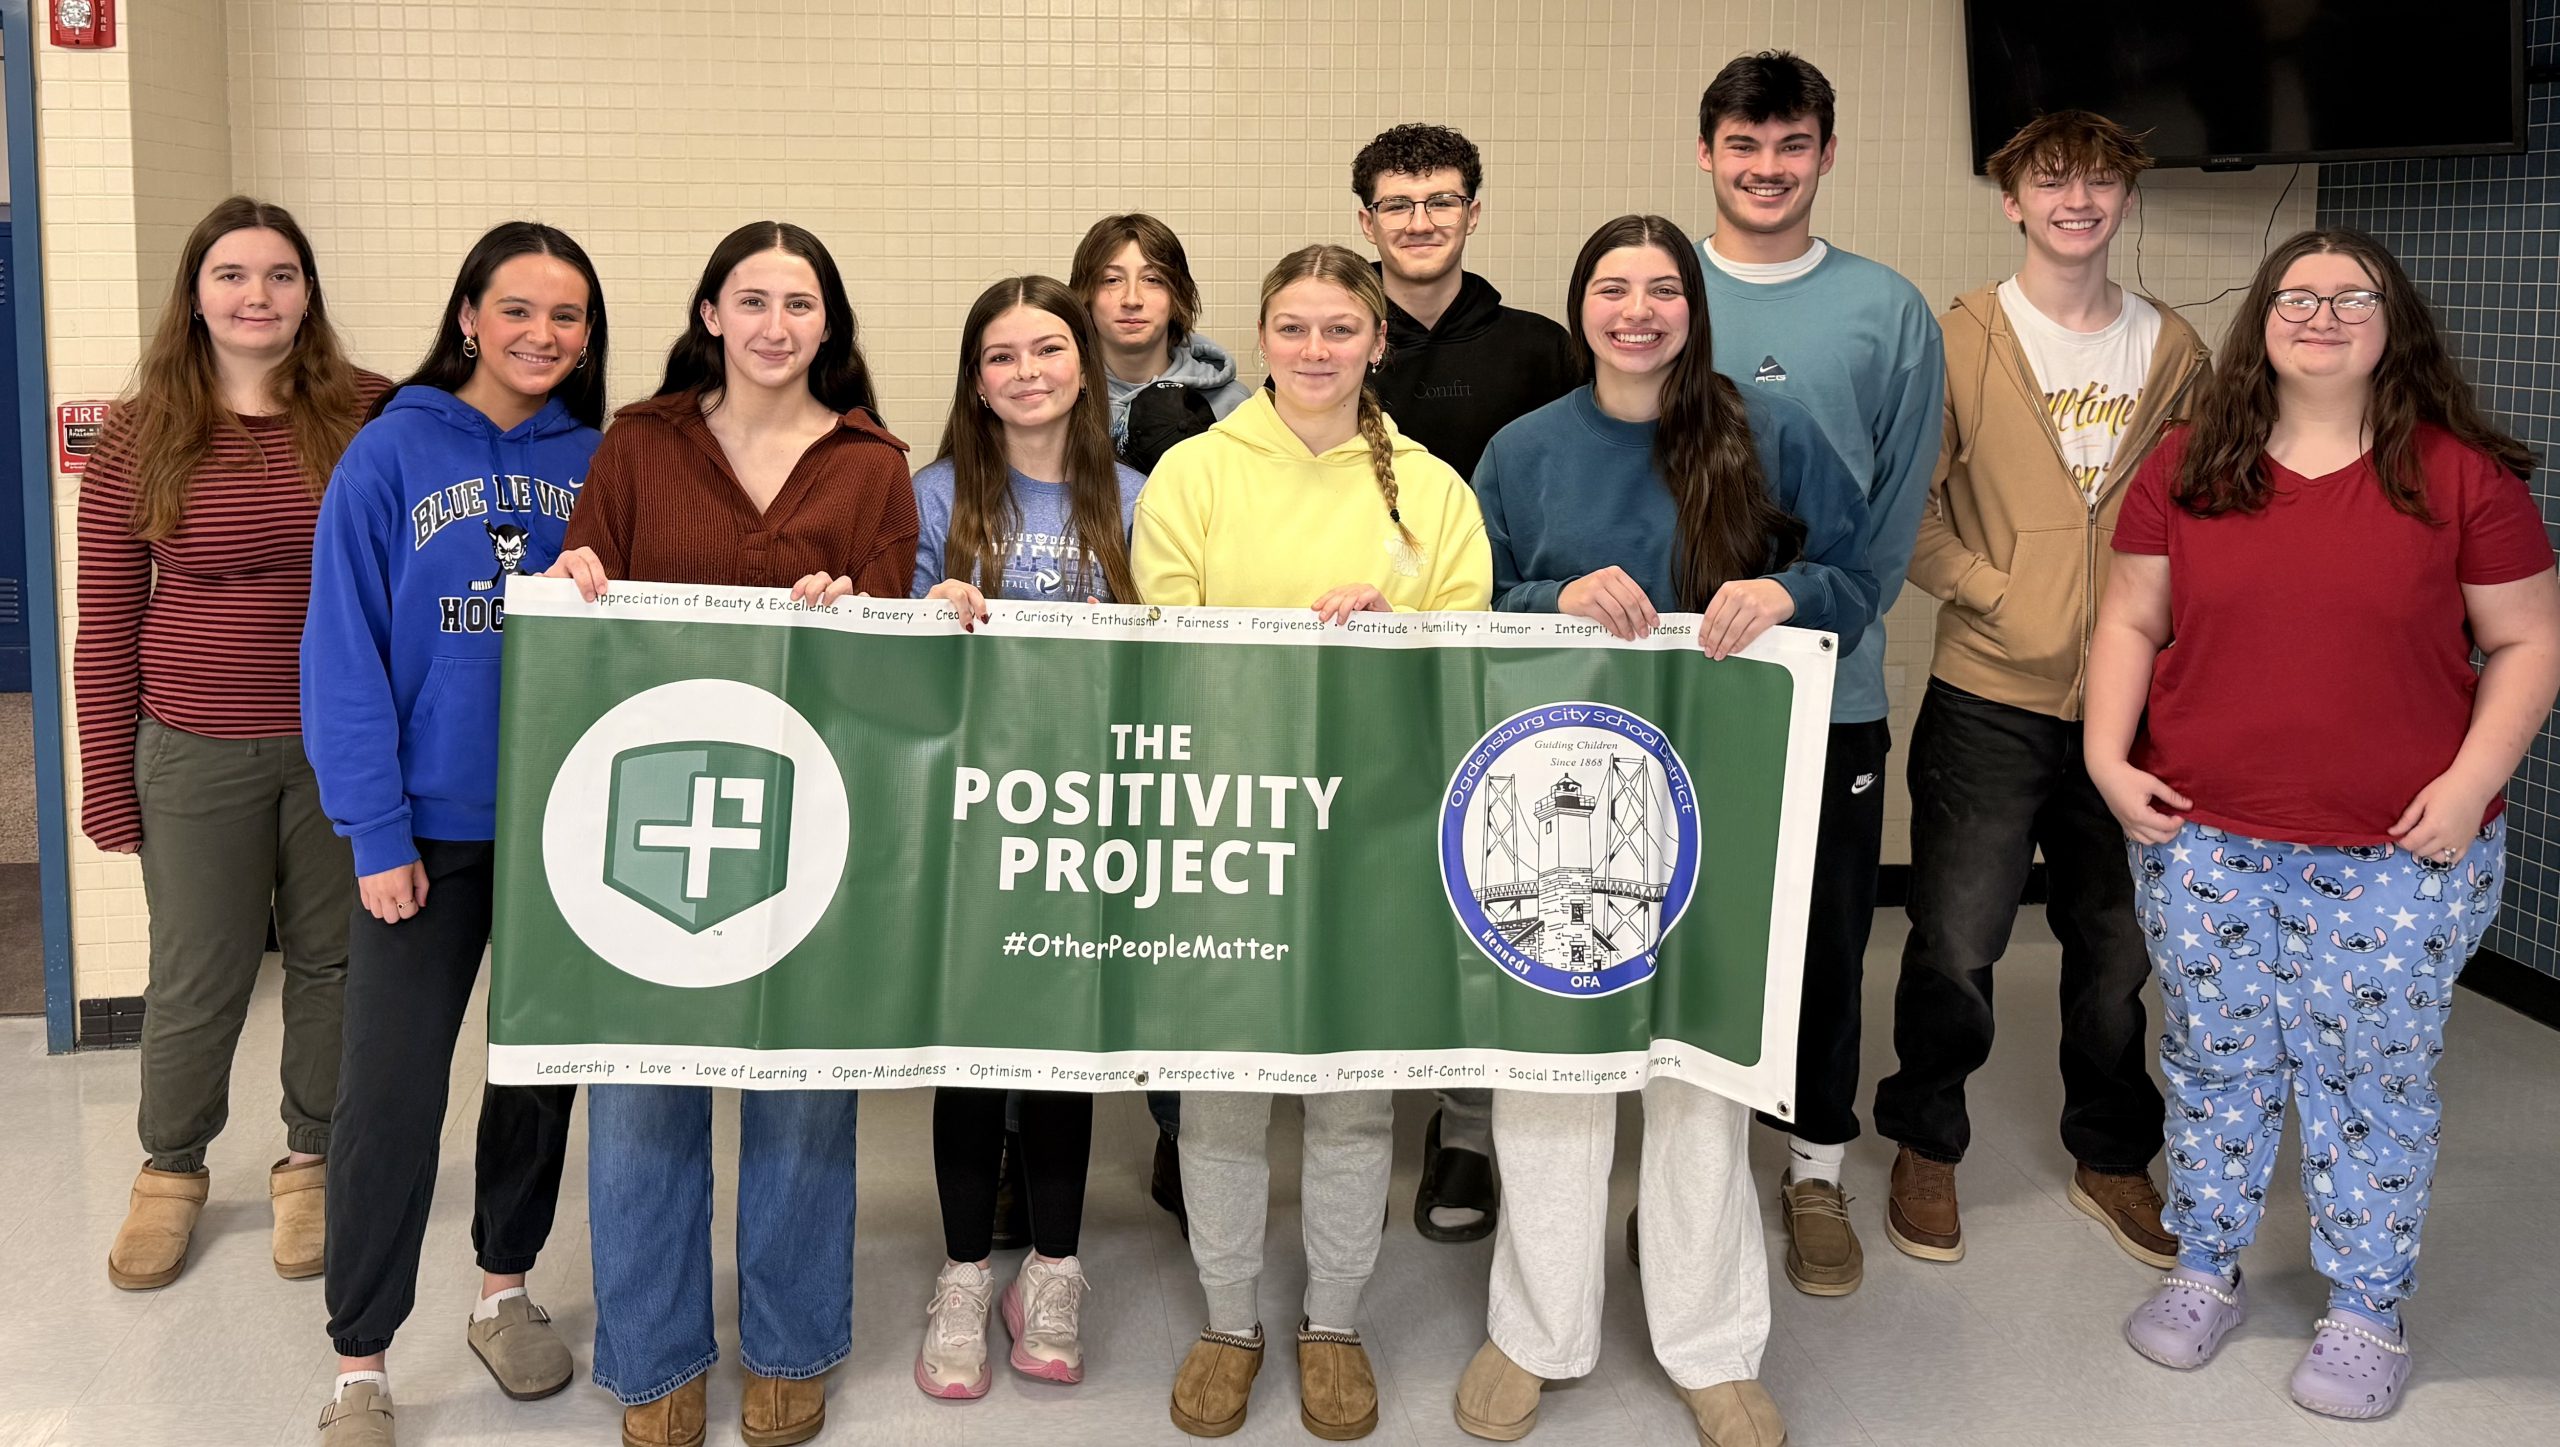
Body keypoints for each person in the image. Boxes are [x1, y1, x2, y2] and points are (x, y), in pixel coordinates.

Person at [2088, 228, 2560, 1420]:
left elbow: (2526, 643)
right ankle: (2204, 1268)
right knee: (2213, 1061)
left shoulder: (2458, 478)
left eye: (2354, 296)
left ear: (2392, 322)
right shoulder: (2188, 465)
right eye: (2296, 294)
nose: (2322, 313)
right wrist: (2104, 755)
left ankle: (2365, 1310)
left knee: (2370, 1076)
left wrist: (2465, 785)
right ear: (2261, 320)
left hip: (2397, 851)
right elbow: (2131, 623)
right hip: (2203, 838)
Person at [1453, 214, 1875, 1447]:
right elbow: (1465, 601)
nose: (1635, 310)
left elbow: (1857, 567)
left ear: (1693, 305)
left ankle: (1708, 1338)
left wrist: (1786, 588)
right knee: (1554, 1065)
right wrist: (1549, 594)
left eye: (1660, 289)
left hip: (1719, 790)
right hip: (1548, 785)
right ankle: (1535, 1328)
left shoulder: (1764, 432)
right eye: (1610, 287)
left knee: (1698, 1068)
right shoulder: (1521, 450)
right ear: (1579, 305)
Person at [547, 221, 915, 1447]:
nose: (773, 324)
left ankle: (793, 1339)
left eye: (798, 302)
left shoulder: (872, 465)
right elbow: (577, 592)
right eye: (749, 299)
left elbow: (897, 662)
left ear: (828, 323)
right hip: (650, 811)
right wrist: (579, 581)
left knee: (799, 1084)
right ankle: (651, 1356)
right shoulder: (639, 445)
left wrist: (857, 613)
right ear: (709, 313)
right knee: (644, 1084)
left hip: (814, 811)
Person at [1133, 242, 1490, 1441]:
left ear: (1377, 342)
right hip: (1226, 822)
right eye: (1293, 328)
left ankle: (1332, 1318)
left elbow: (1470, 659)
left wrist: (1396, 636)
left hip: (1371, 831)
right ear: (1262, 335)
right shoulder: (1192, 471)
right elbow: (1163, 641)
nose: (1317, 350)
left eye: (1342, 329)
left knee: (1347, 1096)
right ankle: (1230, 1319)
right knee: (1224, 1089)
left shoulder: (1431, 490)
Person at [1872, 110, 2209, 1271]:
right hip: (1988, 692)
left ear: (2124, 201)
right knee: (1956, 934)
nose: (2079, 199)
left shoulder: (2174, 350)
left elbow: (2208, 518)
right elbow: (1903, 513)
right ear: (2010, 202)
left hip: (2134, 702)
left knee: (2117, 944)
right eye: (2052, 182)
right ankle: (1927, 1141)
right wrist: (1999, 597)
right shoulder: (1958, 339)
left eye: (2102, 181)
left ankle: (2112, 1155)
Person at [301, 222, 608, 1447]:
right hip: (422, 837)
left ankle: (504, 1287)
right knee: (386, 1095)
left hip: (560, 828)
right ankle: (359, 1363)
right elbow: (342, 657)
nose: (544, 335)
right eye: (519, 309)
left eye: (568, 316)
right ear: (470, 314)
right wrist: (375, 833)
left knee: (536, 1079)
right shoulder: (389, 453)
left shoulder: (602, 457)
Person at [76, 196, 386, 1293]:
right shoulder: (137, 433)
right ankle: (170, 1172)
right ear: (195, 294)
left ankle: (311, 1163)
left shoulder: (368, 412)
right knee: (197, 973)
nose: (258, 296)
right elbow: (107, 619)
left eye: (281, 275)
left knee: (335, 963)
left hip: (343, 748)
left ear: (309, 291)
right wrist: (107, 782)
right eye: (233, 276)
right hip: (194, 746)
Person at [1685, 48, 1945, 1294]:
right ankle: (1688, 1182)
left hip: (1824, 689)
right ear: (1707, 156)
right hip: (1681, 691)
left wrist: (1817, 609)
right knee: (1687, 928)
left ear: (1825, 156)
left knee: (1828, 937)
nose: (1767, 169)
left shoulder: (1886, 310)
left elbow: (1891, 519)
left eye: (1790, 146)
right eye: (1744, 145)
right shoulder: (1659, 294)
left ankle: (1816, 1169)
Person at [906, 275, 1142, 1401]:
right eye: (999, 355)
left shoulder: (1141, 497)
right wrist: (925, 617)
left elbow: (1185, 656)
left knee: (1059, 1049)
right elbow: (887, 664)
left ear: (1084, 367)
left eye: (1047, 348)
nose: (1027, 371)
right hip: (972, 817)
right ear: (975, 380)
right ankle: (960, 1272)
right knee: (974, 1050)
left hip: (1090, 820)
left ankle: (1050, 1268)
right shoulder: (932, 496)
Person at [1349, 121, 1579, 1245]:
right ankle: (1348, 1089)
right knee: (1376, 880)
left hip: (1506, 660)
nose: (1420, 222)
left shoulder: (1539, 347)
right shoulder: (1338, 340)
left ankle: (1466, 1126)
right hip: (1366, 665)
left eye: (1441, 201)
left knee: (1488, 893)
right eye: (1398, 205)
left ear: (1473, 213)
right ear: (1366, 223)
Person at [1069, 213, 1253, 470]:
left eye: (1152, 280)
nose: (1132, 299)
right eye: (1112, 280)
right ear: (1085, 294)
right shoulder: (1060, 397)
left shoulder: (1231, 406)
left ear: (1177, 295)